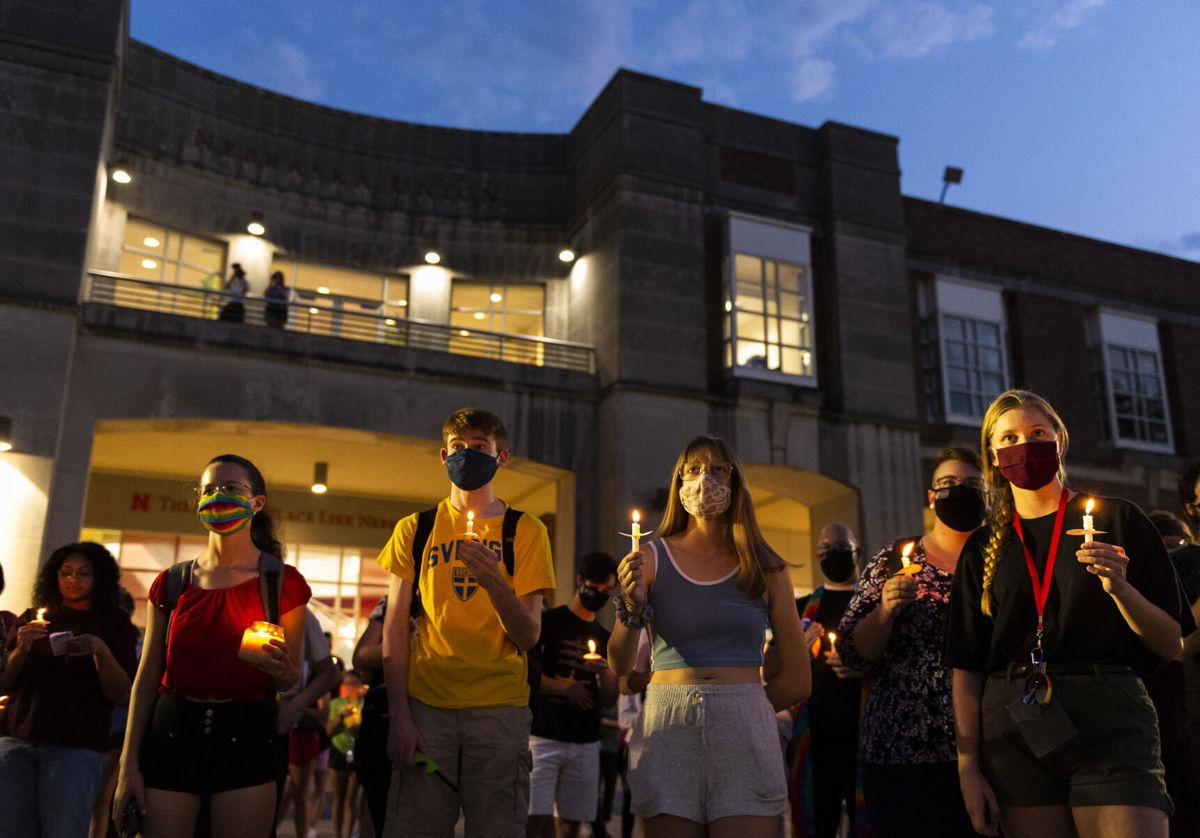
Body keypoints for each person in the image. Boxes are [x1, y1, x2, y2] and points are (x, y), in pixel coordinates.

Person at [947, 389, 1193, 838]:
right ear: (994, 454)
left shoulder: (1120, 520)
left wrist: (1119, 588)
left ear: (1060, 439)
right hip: (1016, 722)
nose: (1024, 445)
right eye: (1010, 438)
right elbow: (967, 665)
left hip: (1110, 715)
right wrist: (968, 766)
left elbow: (1170, 641)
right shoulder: (982, 548)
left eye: (1037, 432)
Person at [607, 434, 810, 837]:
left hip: (745, 723)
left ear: (735, 482)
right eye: (694, 469)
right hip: (668, 721)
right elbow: (620, 664)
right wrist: (631, 607)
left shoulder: (765, 566)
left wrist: (742, 706)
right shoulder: (649, 557)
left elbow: (798, 678)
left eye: (718, 469)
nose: (706, 480)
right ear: (679, 481)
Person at [377, 407, 557, 837]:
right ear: (443, 456)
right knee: (414, 826)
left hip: (499, 711)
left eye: (480, 447)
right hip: (427, 709)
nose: (468, 454)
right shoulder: (415, 530)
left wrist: (496, 582)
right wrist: (399, 715)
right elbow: (394, 629)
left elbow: (529, 635)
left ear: (502, 457)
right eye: (458, 447)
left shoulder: (525, 531)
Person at [114, 454, 311, 838]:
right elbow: (148, 675)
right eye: (210, 489)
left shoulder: (281, 582)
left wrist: (279, 667)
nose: (219, 496)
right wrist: (128, 766)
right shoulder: (173, 583)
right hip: (172, 735)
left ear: (257, 502)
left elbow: (289, 679)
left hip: (247, 737)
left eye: (232, 488)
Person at [836, 448, 984, 837]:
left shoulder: (1000, 560)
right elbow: (853, 653)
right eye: (948, 485)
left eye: (971, 485)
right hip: (903, 747)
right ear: (931, 497)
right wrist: (885, 611)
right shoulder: (894, 561)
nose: (960, 492)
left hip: (991, 747)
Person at [0, 542, 139, 837]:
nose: (73, 580)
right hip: (19, 739)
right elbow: (5, 682)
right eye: (66, 572)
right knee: (12, 827)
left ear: (98, 578)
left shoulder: (114, 625)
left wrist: (99, 650)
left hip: (75, 745)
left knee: (62, 829)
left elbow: (119, 691)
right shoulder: (32, 619)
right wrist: (22, 648)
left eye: (83, 574)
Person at [527, 552, 620, 838]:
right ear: (580, 581)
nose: (600, 596)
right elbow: (527, 677)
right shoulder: (548, 622)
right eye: (595, 588)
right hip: (544, 734)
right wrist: (565, 688)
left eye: (607, 592)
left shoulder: (605, 637)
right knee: (536, 818)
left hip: (585, 739)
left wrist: (605, 673)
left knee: (571, 822)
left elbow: (609, 699)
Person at [789, 523, 868, 838]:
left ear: (857, 552)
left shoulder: (872, 604)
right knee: (817, 823)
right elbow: (779, 669)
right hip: (816, 740)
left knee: (868, 822)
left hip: (864, 736)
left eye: (841, 549)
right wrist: (800, 650)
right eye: (827, 550)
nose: (834, 556)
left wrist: (864, 667)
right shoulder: (801, 608)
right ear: (817, 554)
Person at [277, 608, 339, 838]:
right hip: (298, 732)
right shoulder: (306, 672)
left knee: (300, 792)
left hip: (303, 734)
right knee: (290, 791)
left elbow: (325, 709)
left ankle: (305, 831)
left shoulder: (313, 676)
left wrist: (297, 705)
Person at [352, 596, 389, 838]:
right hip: (382, 715)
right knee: (376, 799)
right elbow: (361, 656)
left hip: (435, 711)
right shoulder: (391, 601)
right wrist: (409, 642)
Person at [328, 669, 366, 838]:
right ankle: (337, 834)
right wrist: (342, 717)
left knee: (351, 798)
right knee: (339, 798)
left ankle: (348, 833)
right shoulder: (337, 703)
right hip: (339, 748)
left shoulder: (364, 703)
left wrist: (359, 729)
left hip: (358, 751)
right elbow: (329, 730)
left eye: (354, 683)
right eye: (348, 683)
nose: (351, 687)